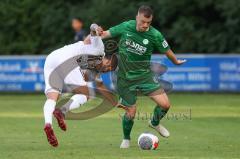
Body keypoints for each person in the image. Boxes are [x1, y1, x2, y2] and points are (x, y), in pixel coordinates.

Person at [100, 5, 187, 148]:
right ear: (137, 18)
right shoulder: (126, 26)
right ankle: (126, 139)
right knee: (131, 111)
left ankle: (154, 123)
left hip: (145, 76)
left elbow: (167, 50)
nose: (145, 25)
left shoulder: (155, 35)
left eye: (148, 23)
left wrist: (176, 61)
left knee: (165, 105)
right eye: (142, 22)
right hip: (125, 77)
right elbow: (105, 34)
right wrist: (96, 34)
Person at [43, 24, 116, 147]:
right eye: (107, 67)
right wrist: (96, 28)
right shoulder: (99, 49)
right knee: (87, 95)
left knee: (52, 97)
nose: (105, 70)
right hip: (66, 59)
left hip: (52, 58)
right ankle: (62, 111)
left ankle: (48, 124)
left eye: (107, 71)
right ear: (107, 59)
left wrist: (115, 103)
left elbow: (100, 85)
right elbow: (92, 29)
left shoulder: (94, 70)